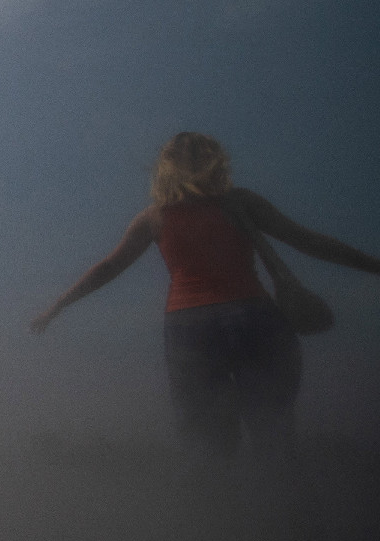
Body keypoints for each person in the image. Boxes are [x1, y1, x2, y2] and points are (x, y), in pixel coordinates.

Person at [31, 132, 380, 463]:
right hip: (253, 317)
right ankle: (281, 518)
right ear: (215, 162)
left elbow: (109, 267)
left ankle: (219, 519)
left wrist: (57, 306)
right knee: (273, 435)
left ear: (165, 168)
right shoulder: (240, 202)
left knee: (208, 446)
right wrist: (371, 265)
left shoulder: (154, 217)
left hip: (190, 328)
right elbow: (307, 240)